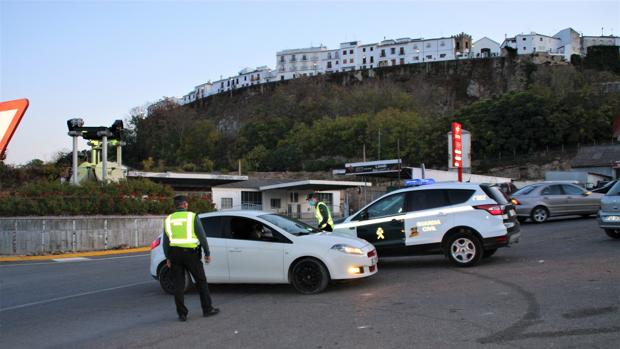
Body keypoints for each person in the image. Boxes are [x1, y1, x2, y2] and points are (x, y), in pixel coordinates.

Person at [163, 195, 219, 321]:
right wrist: (207, 252)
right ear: (185, 204)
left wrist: (168, 257)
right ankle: (207, 309)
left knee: (178, 285)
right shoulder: (192, 217)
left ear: (175, 206)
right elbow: (202, 236)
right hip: (190, 254)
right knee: (201, 281)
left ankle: (182, 314)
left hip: (175, 255)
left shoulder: (169, 219)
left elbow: (165, 241)